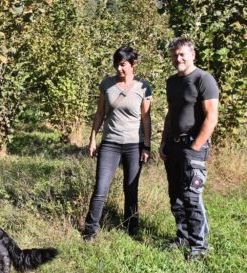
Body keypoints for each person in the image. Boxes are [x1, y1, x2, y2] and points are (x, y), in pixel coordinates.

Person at [81, 45, 152, 241]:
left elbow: (146, 118)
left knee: (131, 188)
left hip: (133, 144)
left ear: (133, 64)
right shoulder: (107, 84)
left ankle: (131, 227)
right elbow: (100, 113)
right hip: (110, 143)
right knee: (101, 188)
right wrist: (92, 139)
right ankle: (90, 230)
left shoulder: (143, 86)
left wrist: (147, 145)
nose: (119, 69)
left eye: (123, 65)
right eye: (116, 65)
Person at [159, 37, 219, 260]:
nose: (178, 58)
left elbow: (211, 118)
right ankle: (182, 237)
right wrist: (164, 142)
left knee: (192, 196)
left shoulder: (204, 79)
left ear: (193, 54)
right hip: (173, 146)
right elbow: (170, 114)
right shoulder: (172, 82)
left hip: (193, 146)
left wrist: (195, 146)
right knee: (175, 196)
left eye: (182, 54)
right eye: (175, 55)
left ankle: (199, 246)